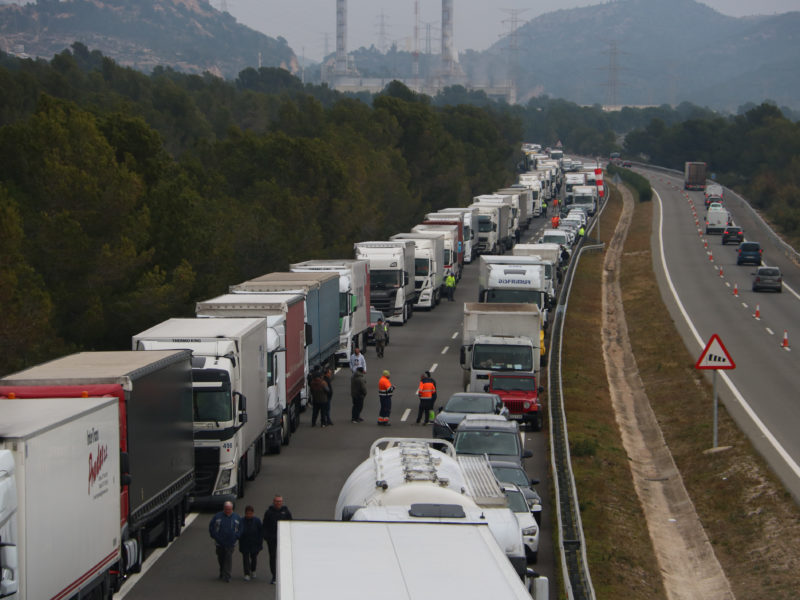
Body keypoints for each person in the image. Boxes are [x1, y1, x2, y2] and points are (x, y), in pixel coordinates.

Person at [209, 501, 242, 583]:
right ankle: (222, 570)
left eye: (229, 509)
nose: (228, 511)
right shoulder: (217, 517)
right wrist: (215, 536)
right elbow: (212, 527)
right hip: (219, 542)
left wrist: (236, 536)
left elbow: (241, 528)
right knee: (221, 558)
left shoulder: (236, 517)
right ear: (224, 509)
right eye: (226, 509)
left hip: (231, 542)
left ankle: (227, 575)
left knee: (228, 557)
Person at [263, 495, 293, 584]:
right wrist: (266, 536)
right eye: (276, 501)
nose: (278, 503)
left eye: (280, 501)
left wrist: (288, 536)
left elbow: (290, 524)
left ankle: (283, 576)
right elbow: (265, 525)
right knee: (273, 557)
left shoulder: (286, 512)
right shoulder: (268, 512)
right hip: (272, 539)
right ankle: (274, 576)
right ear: (273, 502)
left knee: (283, 558)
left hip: (283, 539)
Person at [239, 505, 263, 581]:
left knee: (254, 558)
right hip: (244, 542)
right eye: (247, 513)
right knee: (245, 558)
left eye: (250, 513)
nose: (249, 515)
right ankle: (246, 573)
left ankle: (253, 570)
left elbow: (261, 532)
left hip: (254, 543)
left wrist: (260, 542)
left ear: (253, 513)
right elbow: (239, 531)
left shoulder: (257, 521)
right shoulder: (241, 521)